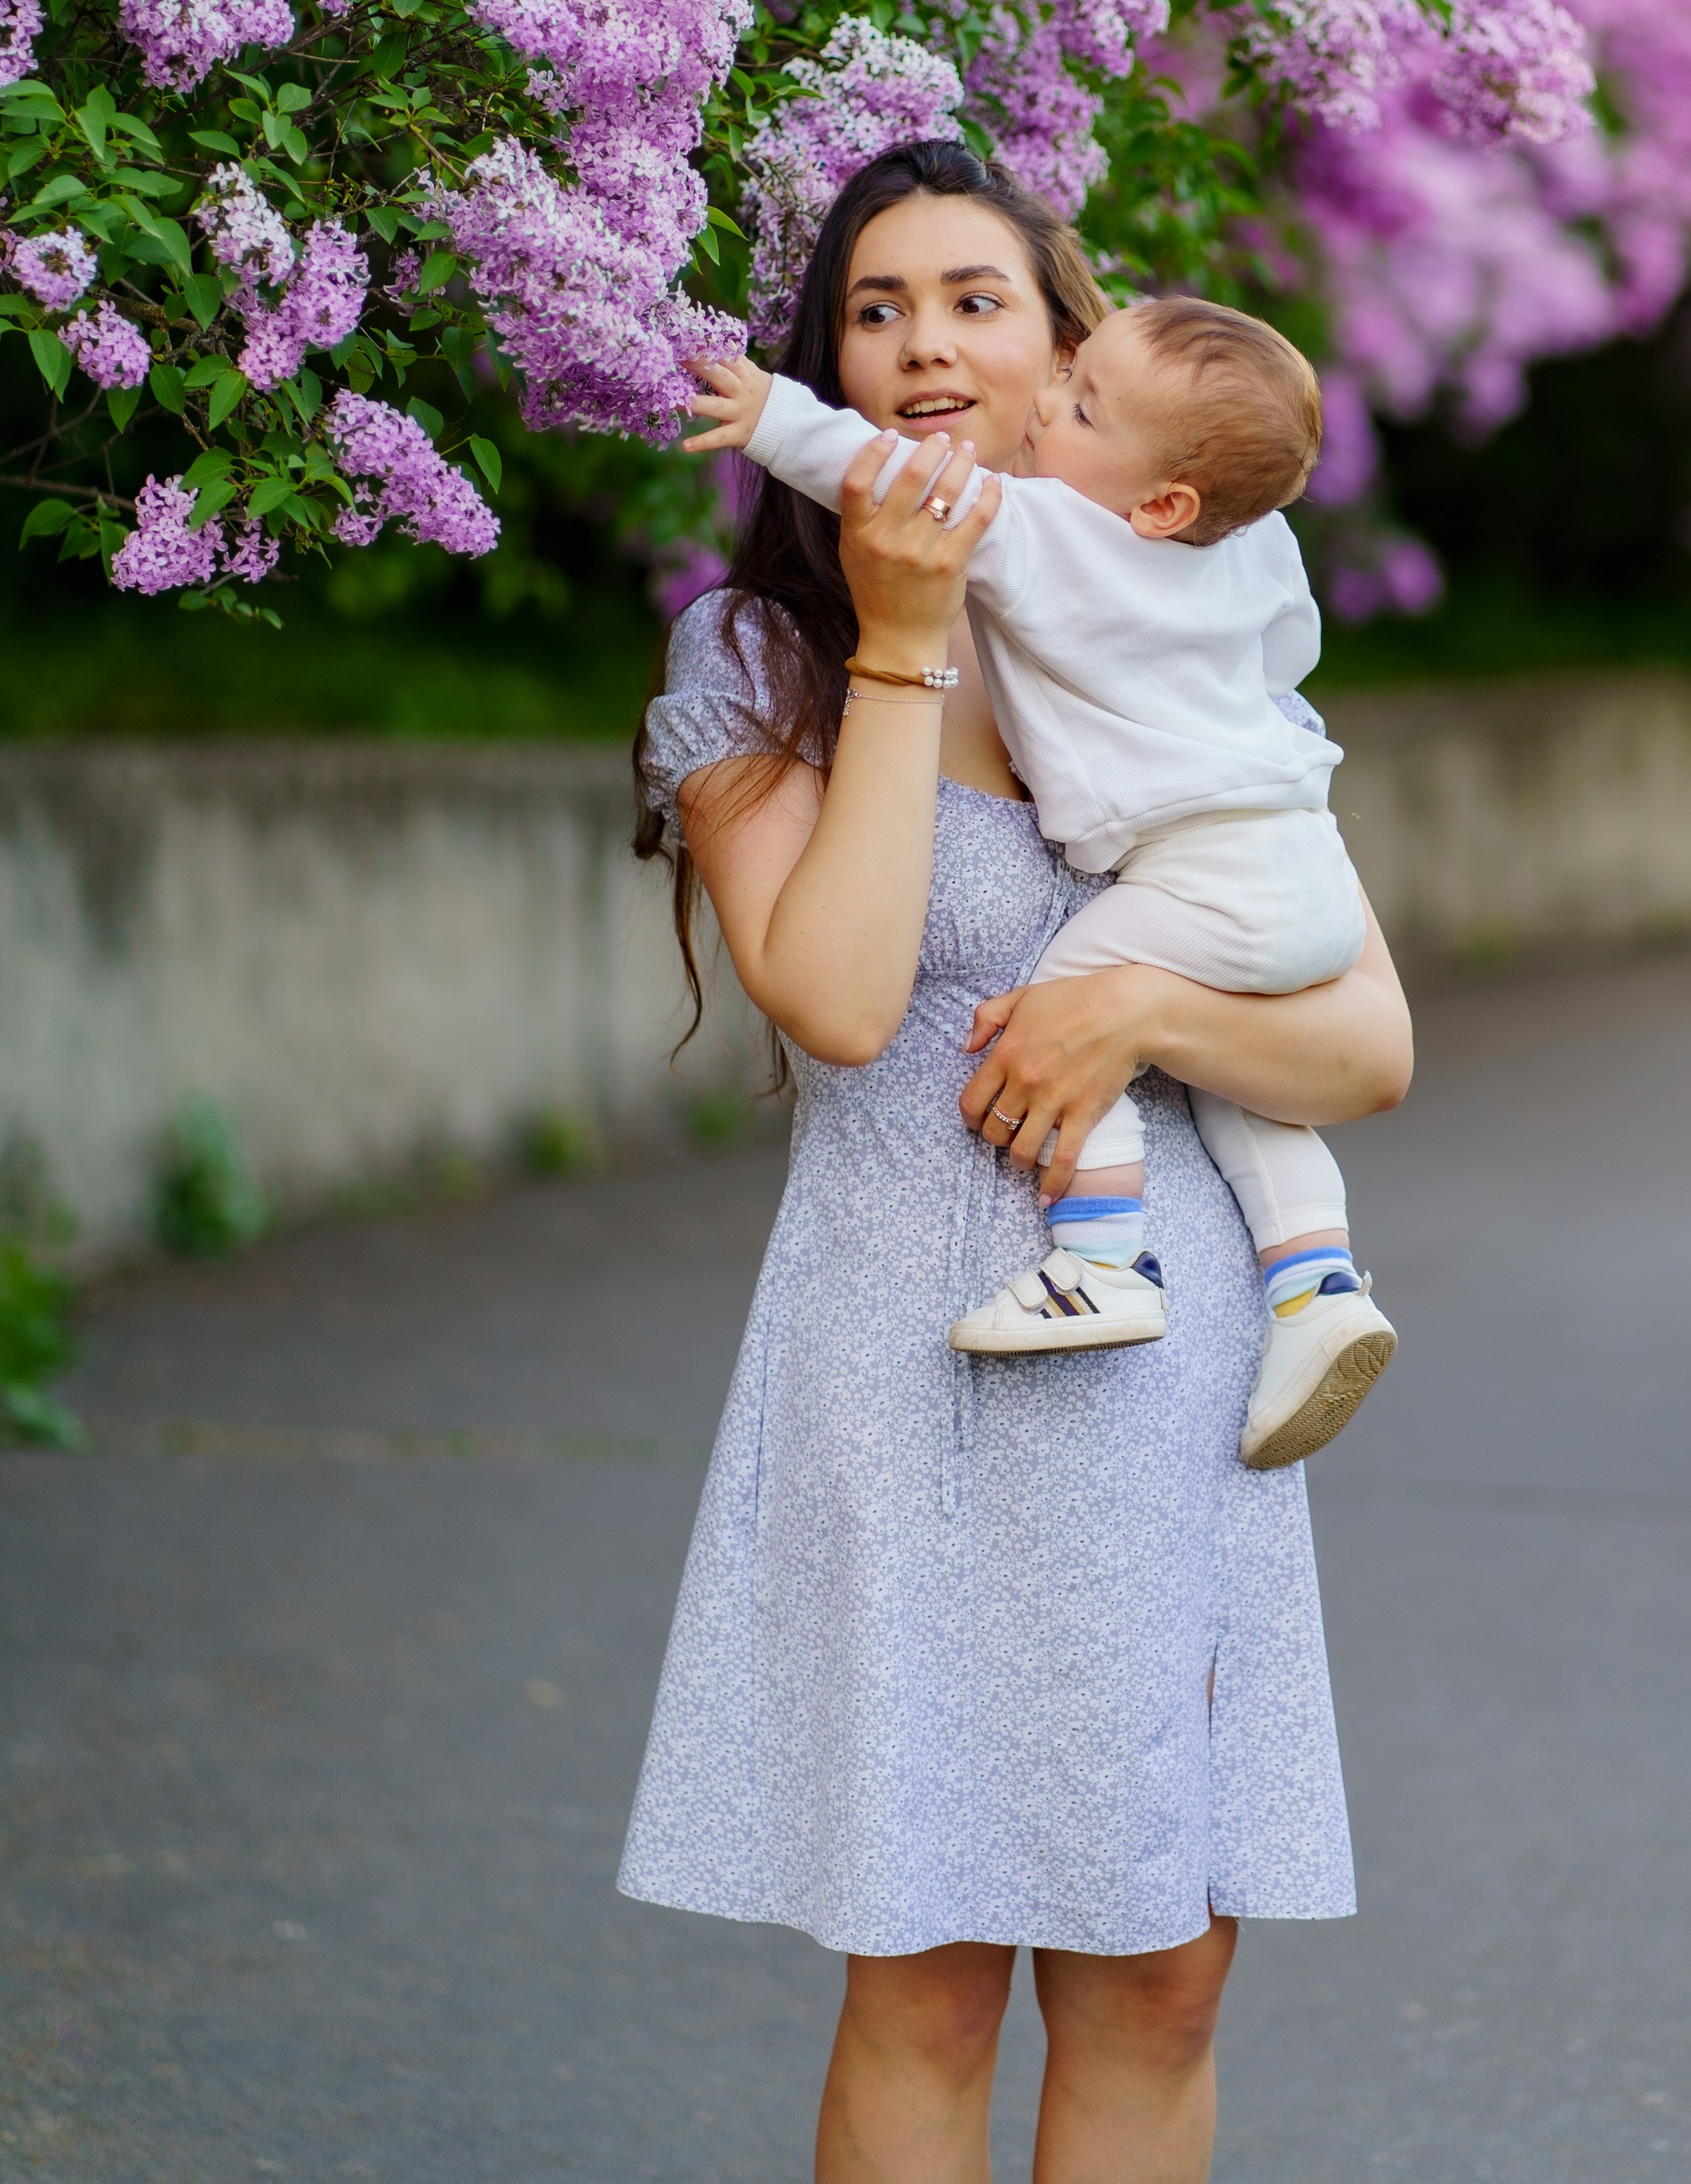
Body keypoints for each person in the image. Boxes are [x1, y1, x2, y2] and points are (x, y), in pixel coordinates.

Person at [619, 138, 1413, 2184]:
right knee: (929, 1969)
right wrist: (900, 634)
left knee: (1161, 1967)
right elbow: (844, 995)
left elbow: (1362, 1043)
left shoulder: (1163, 636)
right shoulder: (750, 666)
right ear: (833, 372)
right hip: (910, 1355)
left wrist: (1134, 1014)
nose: (921, 348)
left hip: (1163, 1382)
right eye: (872, 312)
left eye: (973, 300)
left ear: (1067, 346)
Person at [681, 291, 1399, 1471]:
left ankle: (1102, 1257)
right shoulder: (1253, 539)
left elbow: (877, 472)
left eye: (1078, 398)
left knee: (1067, 994)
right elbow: (1289, 649)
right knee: (1243, 1092)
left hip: (1205, 867)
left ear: (1161, 500)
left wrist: (767, 417)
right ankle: (1318, 1280)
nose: (1053, 406)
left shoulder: (1049, 532)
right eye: (877, 309)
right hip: (1290, 850)